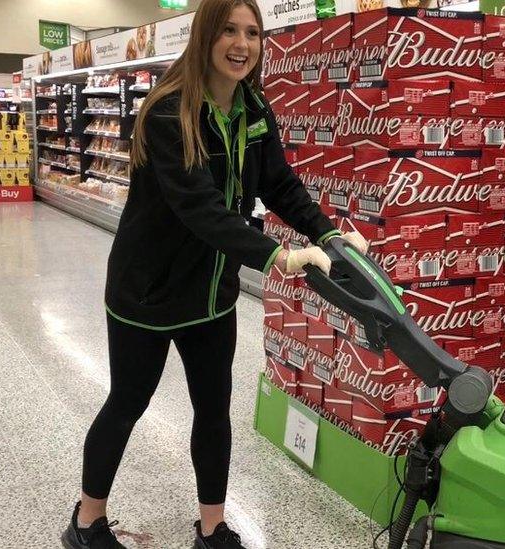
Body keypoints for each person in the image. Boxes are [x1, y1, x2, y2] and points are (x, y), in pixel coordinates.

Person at [62, 1, 366, 548]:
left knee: (212, 408)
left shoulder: (253, 108)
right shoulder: (166, 112)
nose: (241, 44)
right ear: (205, 34)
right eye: (229, 29)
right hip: (147, 290)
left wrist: (327, 234)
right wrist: (278, 256)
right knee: (129, 402)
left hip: (211, 294)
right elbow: (200, 209)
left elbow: (280, 184)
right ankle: (85, 521)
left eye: (251, 32)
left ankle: (212, 527)